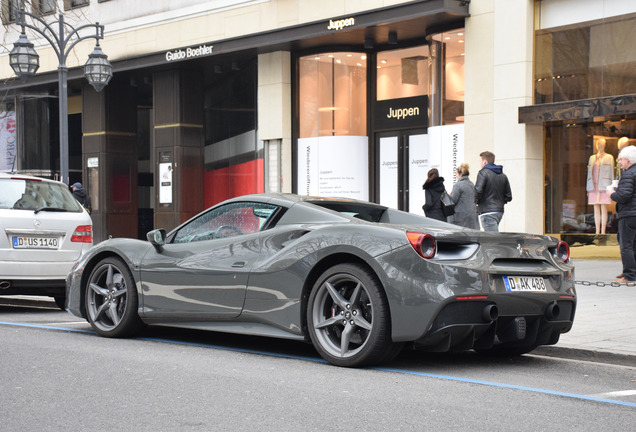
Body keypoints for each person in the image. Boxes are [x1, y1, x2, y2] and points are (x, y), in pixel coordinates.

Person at [609, 145, 636, 283]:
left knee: (626, 245)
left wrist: (612, 193)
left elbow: (623, 196)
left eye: (621, 160)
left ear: (628, 160)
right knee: (634, 245)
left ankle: (629, 276)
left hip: (629, 214)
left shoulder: (628, 174)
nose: (619, 162)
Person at [474, 151, 512, 231]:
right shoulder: (503, 175)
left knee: (492, 239)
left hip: (487, 211)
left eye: (480, 161)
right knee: (492, 236)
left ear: (485, 161)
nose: (480, 164)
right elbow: (508, 196)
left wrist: (477, 202)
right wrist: (500, 202)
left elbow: (478, 191)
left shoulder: (483, 173)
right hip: (499, 211)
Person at [586, 138, 614, 234]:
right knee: (595, 208)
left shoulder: (609, 157)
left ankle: (603, 231)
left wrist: (612, 187)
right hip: (593, 186)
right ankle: (597, 231)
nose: (600, 146)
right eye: (598, 144)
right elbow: (589, 174)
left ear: (605, 145)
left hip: (604, 185)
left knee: (603, 207)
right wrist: (588, 188)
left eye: (601, 144)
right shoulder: (592, 158)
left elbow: (611, 173)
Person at [449, 163, 479, 229]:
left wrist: (450, 195)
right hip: (471, 214)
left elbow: (453, 201)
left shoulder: (458, 185)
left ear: (460, 174)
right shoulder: (471, 184)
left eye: (456, 174)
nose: (456, 176)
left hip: (461, 216)